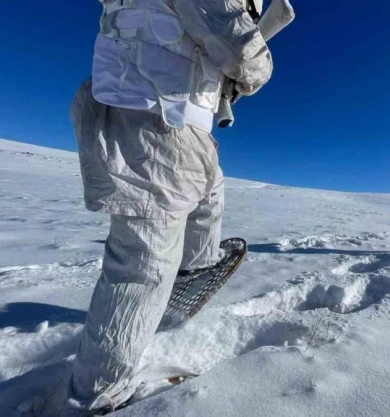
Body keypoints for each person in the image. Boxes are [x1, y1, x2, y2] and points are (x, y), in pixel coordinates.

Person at [65, 0, 272, 414]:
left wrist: (222, 85)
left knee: (211, 191)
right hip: (154, 125)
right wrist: (249, 69)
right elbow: (246, 57)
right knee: (142, 265)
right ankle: (96, 395)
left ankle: (194, 266)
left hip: (172, 127)